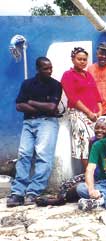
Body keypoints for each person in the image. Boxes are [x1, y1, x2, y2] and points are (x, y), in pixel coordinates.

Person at [7, 57, 62, 207]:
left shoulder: (55, 85)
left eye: (51, 68)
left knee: (43, 156)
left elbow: (52, 108)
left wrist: (30, 102)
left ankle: (33, 192)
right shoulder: (27, 84)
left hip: (47, 123)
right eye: (46, 68)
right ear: (38, 69)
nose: (50, 71)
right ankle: (17, 193)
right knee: (24, 155)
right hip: (28, 123)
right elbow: (19, 105)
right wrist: (40, 107)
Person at [36, 117, 106, 207]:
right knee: (66, 184)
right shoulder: (92, 141)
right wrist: (88, 175)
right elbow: (90, 161)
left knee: (77, 188)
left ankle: (60, 200)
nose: (99, 131)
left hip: (103, 178)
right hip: (93, 174)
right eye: (97, 128)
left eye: (103, 128)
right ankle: (59, 198)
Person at [61, 47, 103, 167]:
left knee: (97, 141)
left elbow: (96, 94)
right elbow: (72, 97)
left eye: (84, 59)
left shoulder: (88, 75)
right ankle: (88, 174)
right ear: (73, 59)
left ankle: (98, 173)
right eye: (79, 59)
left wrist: (100, 109)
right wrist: (88, 112)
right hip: (77, 113)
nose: (82, 62)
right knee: (84, 142)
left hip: (94, 114)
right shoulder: (68, 75)